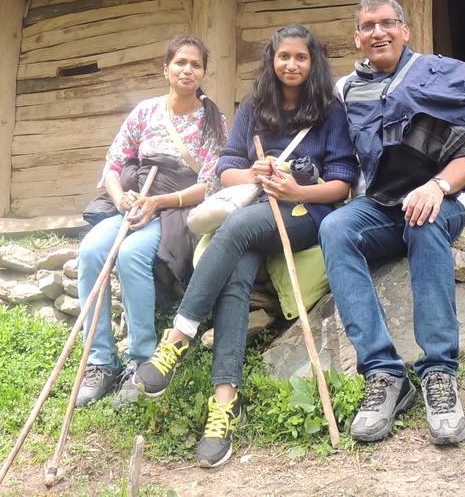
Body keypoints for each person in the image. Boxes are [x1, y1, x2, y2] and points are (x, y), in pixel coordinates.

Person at [132, 23, 358, 468]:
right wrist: (254, 175)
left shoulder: (330, 110)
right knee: (236, 273)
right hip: (257, 209)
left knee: (233, 231)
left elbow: (343, 183)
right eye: (283, 56)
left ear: (313, 64)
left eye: (301, 57)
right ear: (271, 61)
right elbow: (226, 169)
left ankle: (178, 337)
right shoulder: (254, 105)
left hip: (305, 214)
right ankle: (224, 402)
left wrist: (297, 189)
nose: (291, 64)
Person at [318, 0, 465, 446]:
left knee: (424, 220)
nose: (379, 33)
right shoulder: (347, 90)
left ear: (405, 30)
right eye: (369, 26)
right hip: (380, 205)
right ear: (357, 37)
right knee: (335, 228)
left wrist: (436, 187)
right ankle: (386, 374)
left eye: (388, 23)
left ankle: (440, 374)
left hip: (440, 200)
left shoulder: (438, 77)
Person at [75, 35, 227, 407]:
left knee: (130, 255)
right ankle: (99, 362)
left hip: (176, 208)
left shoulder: (213, 121)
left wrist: (159, 200)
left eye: (195, 64)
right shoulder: (144, 112)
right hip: (133, 202)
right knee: (92, 250)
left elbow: (209, 183)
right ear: (166, 69)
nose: (187, 70)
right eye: (180, 63)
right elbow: (113, 165)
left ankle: (140, 359)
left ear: (204, 71)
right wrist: (120, 196)